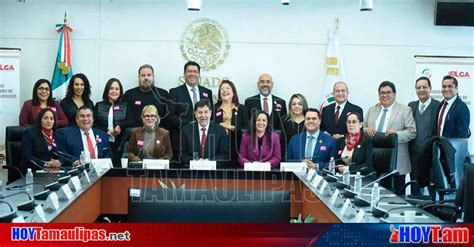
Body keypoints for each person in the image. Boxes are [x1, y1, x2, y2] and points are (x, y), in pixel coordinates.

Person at [364, 81, 416, 195]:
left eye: (388, 92)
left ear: (394, 94)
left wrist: (396, 135)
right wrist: (366, 129)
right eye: (382, 93)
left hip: (396, 161)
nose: (385, 95)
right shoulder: (372, 109)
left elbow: (412, 132)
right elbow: (363, 126)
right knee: (373, 194)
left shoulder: (404, 110)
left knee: (396, 197)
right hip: (374, 159)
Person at [169, 61, 213, 162]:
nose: (192, 74)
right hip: (182, 139)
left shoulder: (207, 92)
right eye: (189, 71)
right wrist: (188, 124)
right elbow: (170, 116)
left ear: (199, 74)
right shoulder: (174, 92)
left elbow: (211, 115)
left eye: (195, 72)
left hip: (204, 140)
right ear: (184, 74)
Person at [408, 76, 440, 195]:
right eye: (418, 87)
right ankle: (415, 210)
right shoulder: (411, 106)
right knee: (415, 185)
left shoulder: (438, 106)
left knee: (432, 185)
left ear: (430, 88)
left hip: (430, 153)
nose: (421, 90)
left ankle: (433, 211)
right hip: (413, 153)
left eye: (424, 87)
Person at [93, 78, 134, 165]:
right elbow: (93, 124)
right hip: (101, 142)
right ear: (107, 90)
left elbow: (132, 121)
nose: (114, 91)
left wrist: (120, 126)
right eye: (111, 88)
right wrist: (106, 131)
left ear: (120, 91)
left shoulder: (125, 105)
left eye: (116, 89)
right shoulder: (99, 105)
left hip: (119, 144)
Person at [122, 64, 176, 129]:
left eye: (149, 75)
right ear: (139, 77)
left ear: (153, 76)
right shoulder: (129, 94)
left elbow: (169, 119)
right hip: (134, 134)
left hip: (158, 135)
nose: (146, 78)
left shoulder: (163, 94)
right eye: (143, 75)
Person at [180, 100, 228, 167]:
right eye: (200, 112)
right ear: (195, 114)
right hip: (192, 171)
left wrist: (208, 161)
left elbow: (224, 155)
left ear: (210, 113)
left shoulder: (220, 130)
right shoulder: (186, 130)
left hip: (214, 172)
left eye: (206, 112)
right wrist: (195, 161)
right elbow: (182, 154)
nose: (203, 115)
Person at [213, 80, 248, 167]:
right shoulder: (213, 109)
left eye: (228, 88)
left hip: (238, 148)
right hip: (218, 150)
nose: (225, 91)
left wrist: (230, 127)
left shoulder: (242, 109)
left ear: (233, 92)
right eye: (222, 89)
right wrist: (220, 128)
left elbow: (246, 130)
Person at [20, 108, 63, 172]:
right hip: (33, 171)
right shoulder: (30, 133)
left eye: (51, 118)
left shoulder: (57, 135)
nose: (49, 121)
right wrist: (45, 164)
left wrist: (59, 161)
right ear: (40, 120)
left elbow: (63, 153)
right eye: (45, 118)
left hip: (53, 171)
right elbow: (26, 156)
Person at [335, 112, 374, 177]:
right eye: (349, 122)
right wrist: (338, 167)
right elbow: (335, 161)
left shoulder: (367, 141)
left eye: (354, 122)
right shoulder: (341, 141)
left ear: (361, 124)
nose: (351, 124)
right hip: (343, 176)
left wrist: (347, 169)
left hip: (362, 177)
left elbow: (367, 166)